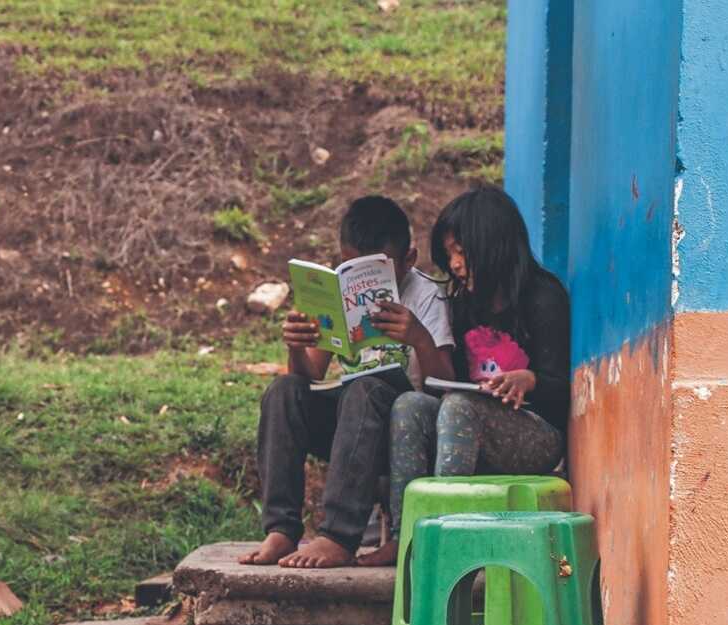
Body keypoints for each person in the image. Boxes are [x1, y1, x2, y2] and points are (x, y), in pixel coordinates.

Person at [356, 185, 570, 567]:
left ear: (494, 244)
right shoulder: (464, 305)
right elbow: (447, 382)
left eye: (462, 251)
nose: (455, 264)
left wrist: (530, 379)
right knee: (410, 405)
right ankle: (408, 535)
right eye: (450, 254)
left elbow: (562, 391)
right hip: (467, 426)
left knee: (458, 407)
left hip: (535, 436)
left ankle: (445, 535)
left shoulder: (543, 296)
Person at [239, 195, 455, 568]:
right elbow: (310, 375)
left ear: (409, 259)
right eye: (351, 267)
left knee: (364, 388)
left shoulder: (428, 297)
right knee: (282, 391)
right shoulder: (334, 294)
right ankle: (281, 529)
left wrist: (420, 338)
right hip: (348, 426)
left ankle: (338, 535)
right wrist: (297, 346)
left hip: (400, 428)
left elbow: (448, 386)